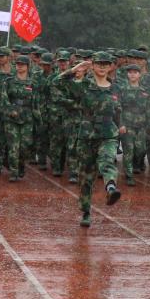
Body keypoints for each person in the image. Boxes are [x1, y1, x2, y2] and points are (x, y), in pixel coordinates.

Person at [54, 51, 124, 227]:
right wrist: (75, 69)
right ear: (92, 66)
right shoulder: (84, 85)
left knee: (107, 160)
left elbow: (118, 110)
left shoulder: (116, 88)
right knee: (86, 177)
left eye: (106, 64)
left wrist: (121, 125)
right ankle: (86, 211)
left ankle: (111, 187)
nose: (102, 67)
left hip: (108, 133)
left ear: (111, 67)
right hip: (87, 135)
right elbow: (57, 82)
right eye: (99, 64)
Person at [0, 55, 35, 182]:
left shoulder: (32, 82)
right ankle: (14, 172)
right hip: (12, 117)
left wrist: (38, 118)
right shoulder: (9, 81)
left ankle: (21, 164)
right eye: (18, 64)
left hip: (27, 117)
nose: (19, 66)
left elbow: (36, 101)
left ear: (28, 66)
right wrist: (10, 110)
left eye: (22, 64)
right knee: (13, 146)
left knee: (25, 146)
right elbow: (4, 98)